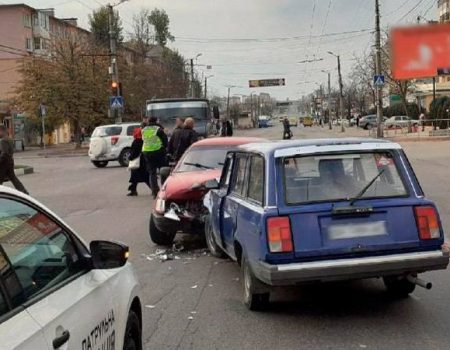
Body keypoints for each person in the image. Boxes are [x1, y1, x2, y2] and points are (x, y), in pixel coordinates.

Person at [142, 117, 168, 199]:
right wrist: (164, 148)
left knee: (152, 173)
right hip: (158, 151)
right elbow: (165, 141)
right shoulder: (158, 129)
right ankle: (164, 190)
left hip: (147, 151)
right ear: (156, 121)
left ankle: (154, 192)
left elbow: (144, 139)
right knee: (163, 171)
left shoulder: (144, 129)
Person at [0, 125, 28, 194]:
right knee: (13, 178)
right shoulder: (9, 139)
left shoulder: (3, 140)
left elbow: (4, 153)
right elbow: (10, 152)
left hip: (3, 163)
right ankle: (24, 192)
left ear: (1, 131)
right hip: (10, 161)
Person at [127, 128, 150, 196]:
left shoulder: (136, 141)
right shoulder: (143, 140)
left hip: (137, 161)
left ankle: (155, 190)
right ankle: (133, 190)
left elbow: (134, 152)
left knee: (137, 177)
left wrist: (130, 158)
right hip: (143, 161)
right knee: (144, 176)